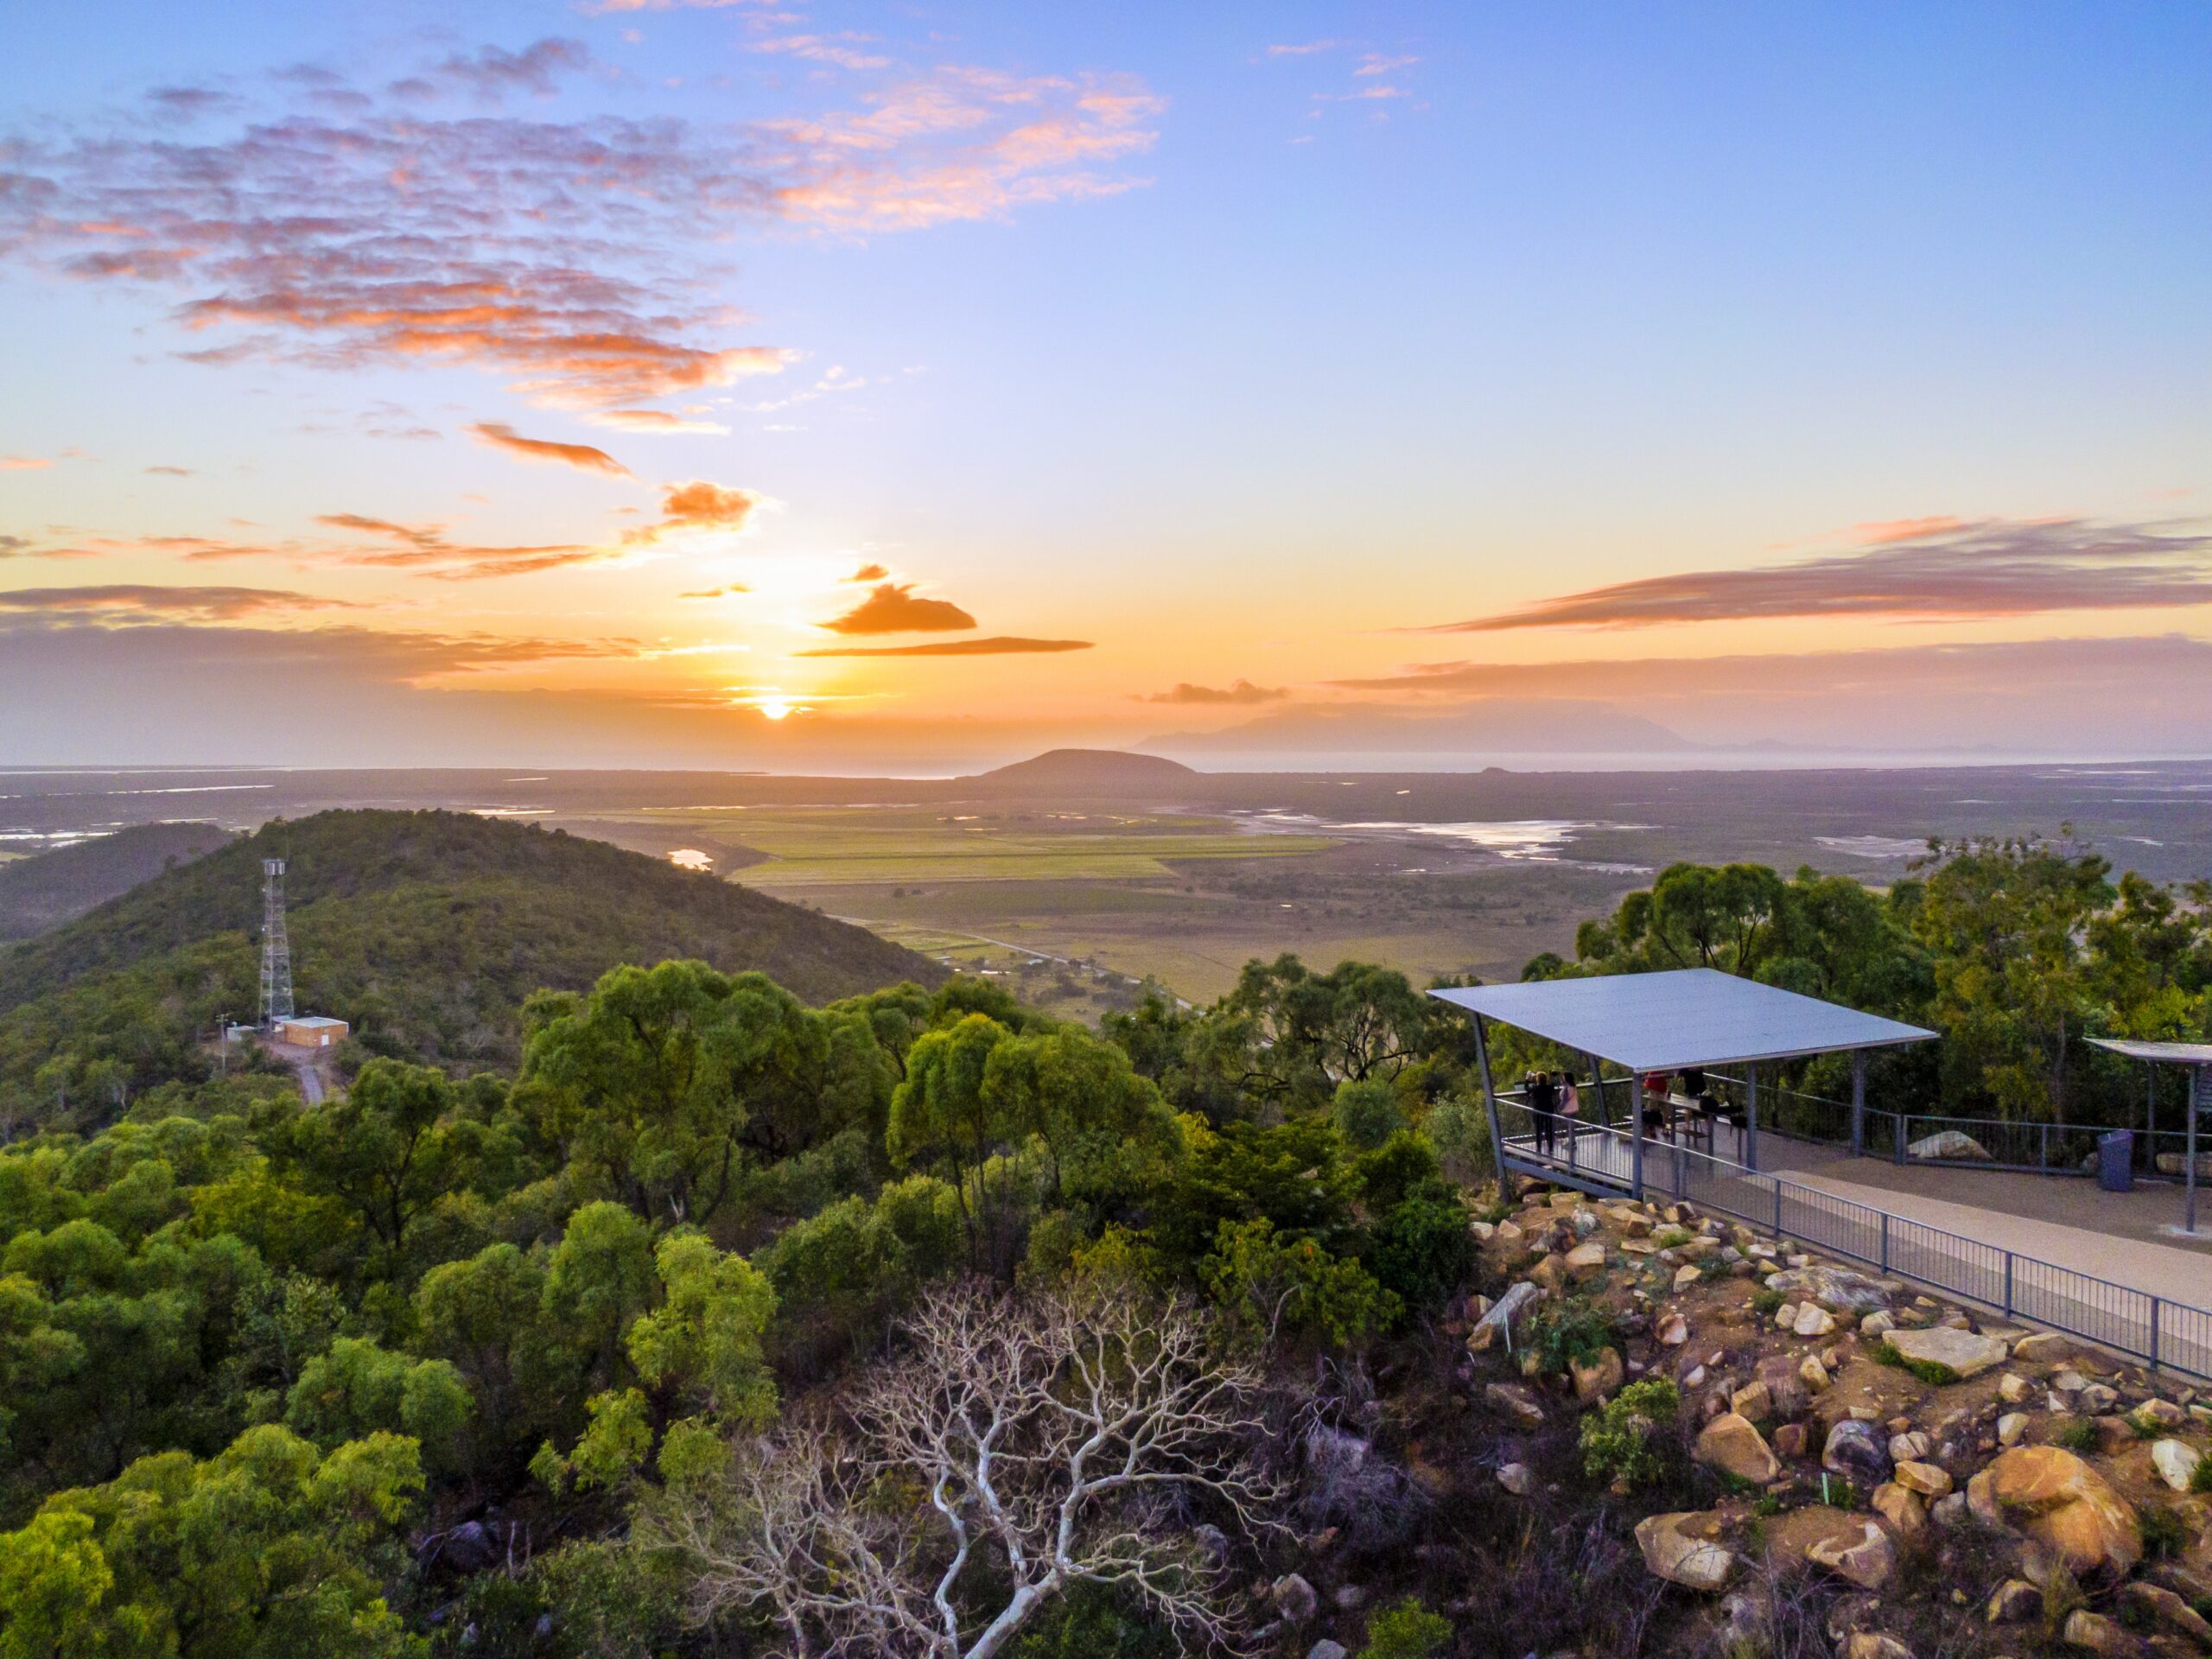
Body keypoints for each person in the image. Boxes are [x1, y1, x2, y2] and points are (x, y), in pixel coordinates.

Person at [1530, 1069, 1557, 1156]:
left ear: (1538, 1079)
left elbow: (1527, 1089)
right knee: (1549, 1129)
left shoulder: (1536, 1088)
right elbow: (1552, 1085)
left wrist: (1527, 1079)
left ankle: (1539, 1148)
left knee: (1538, 1130)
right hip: (1548, 1110)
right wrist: (1551, 1078)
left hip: (1538, 1111)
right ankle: (1551, 1148)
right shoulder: (1549, 1087)